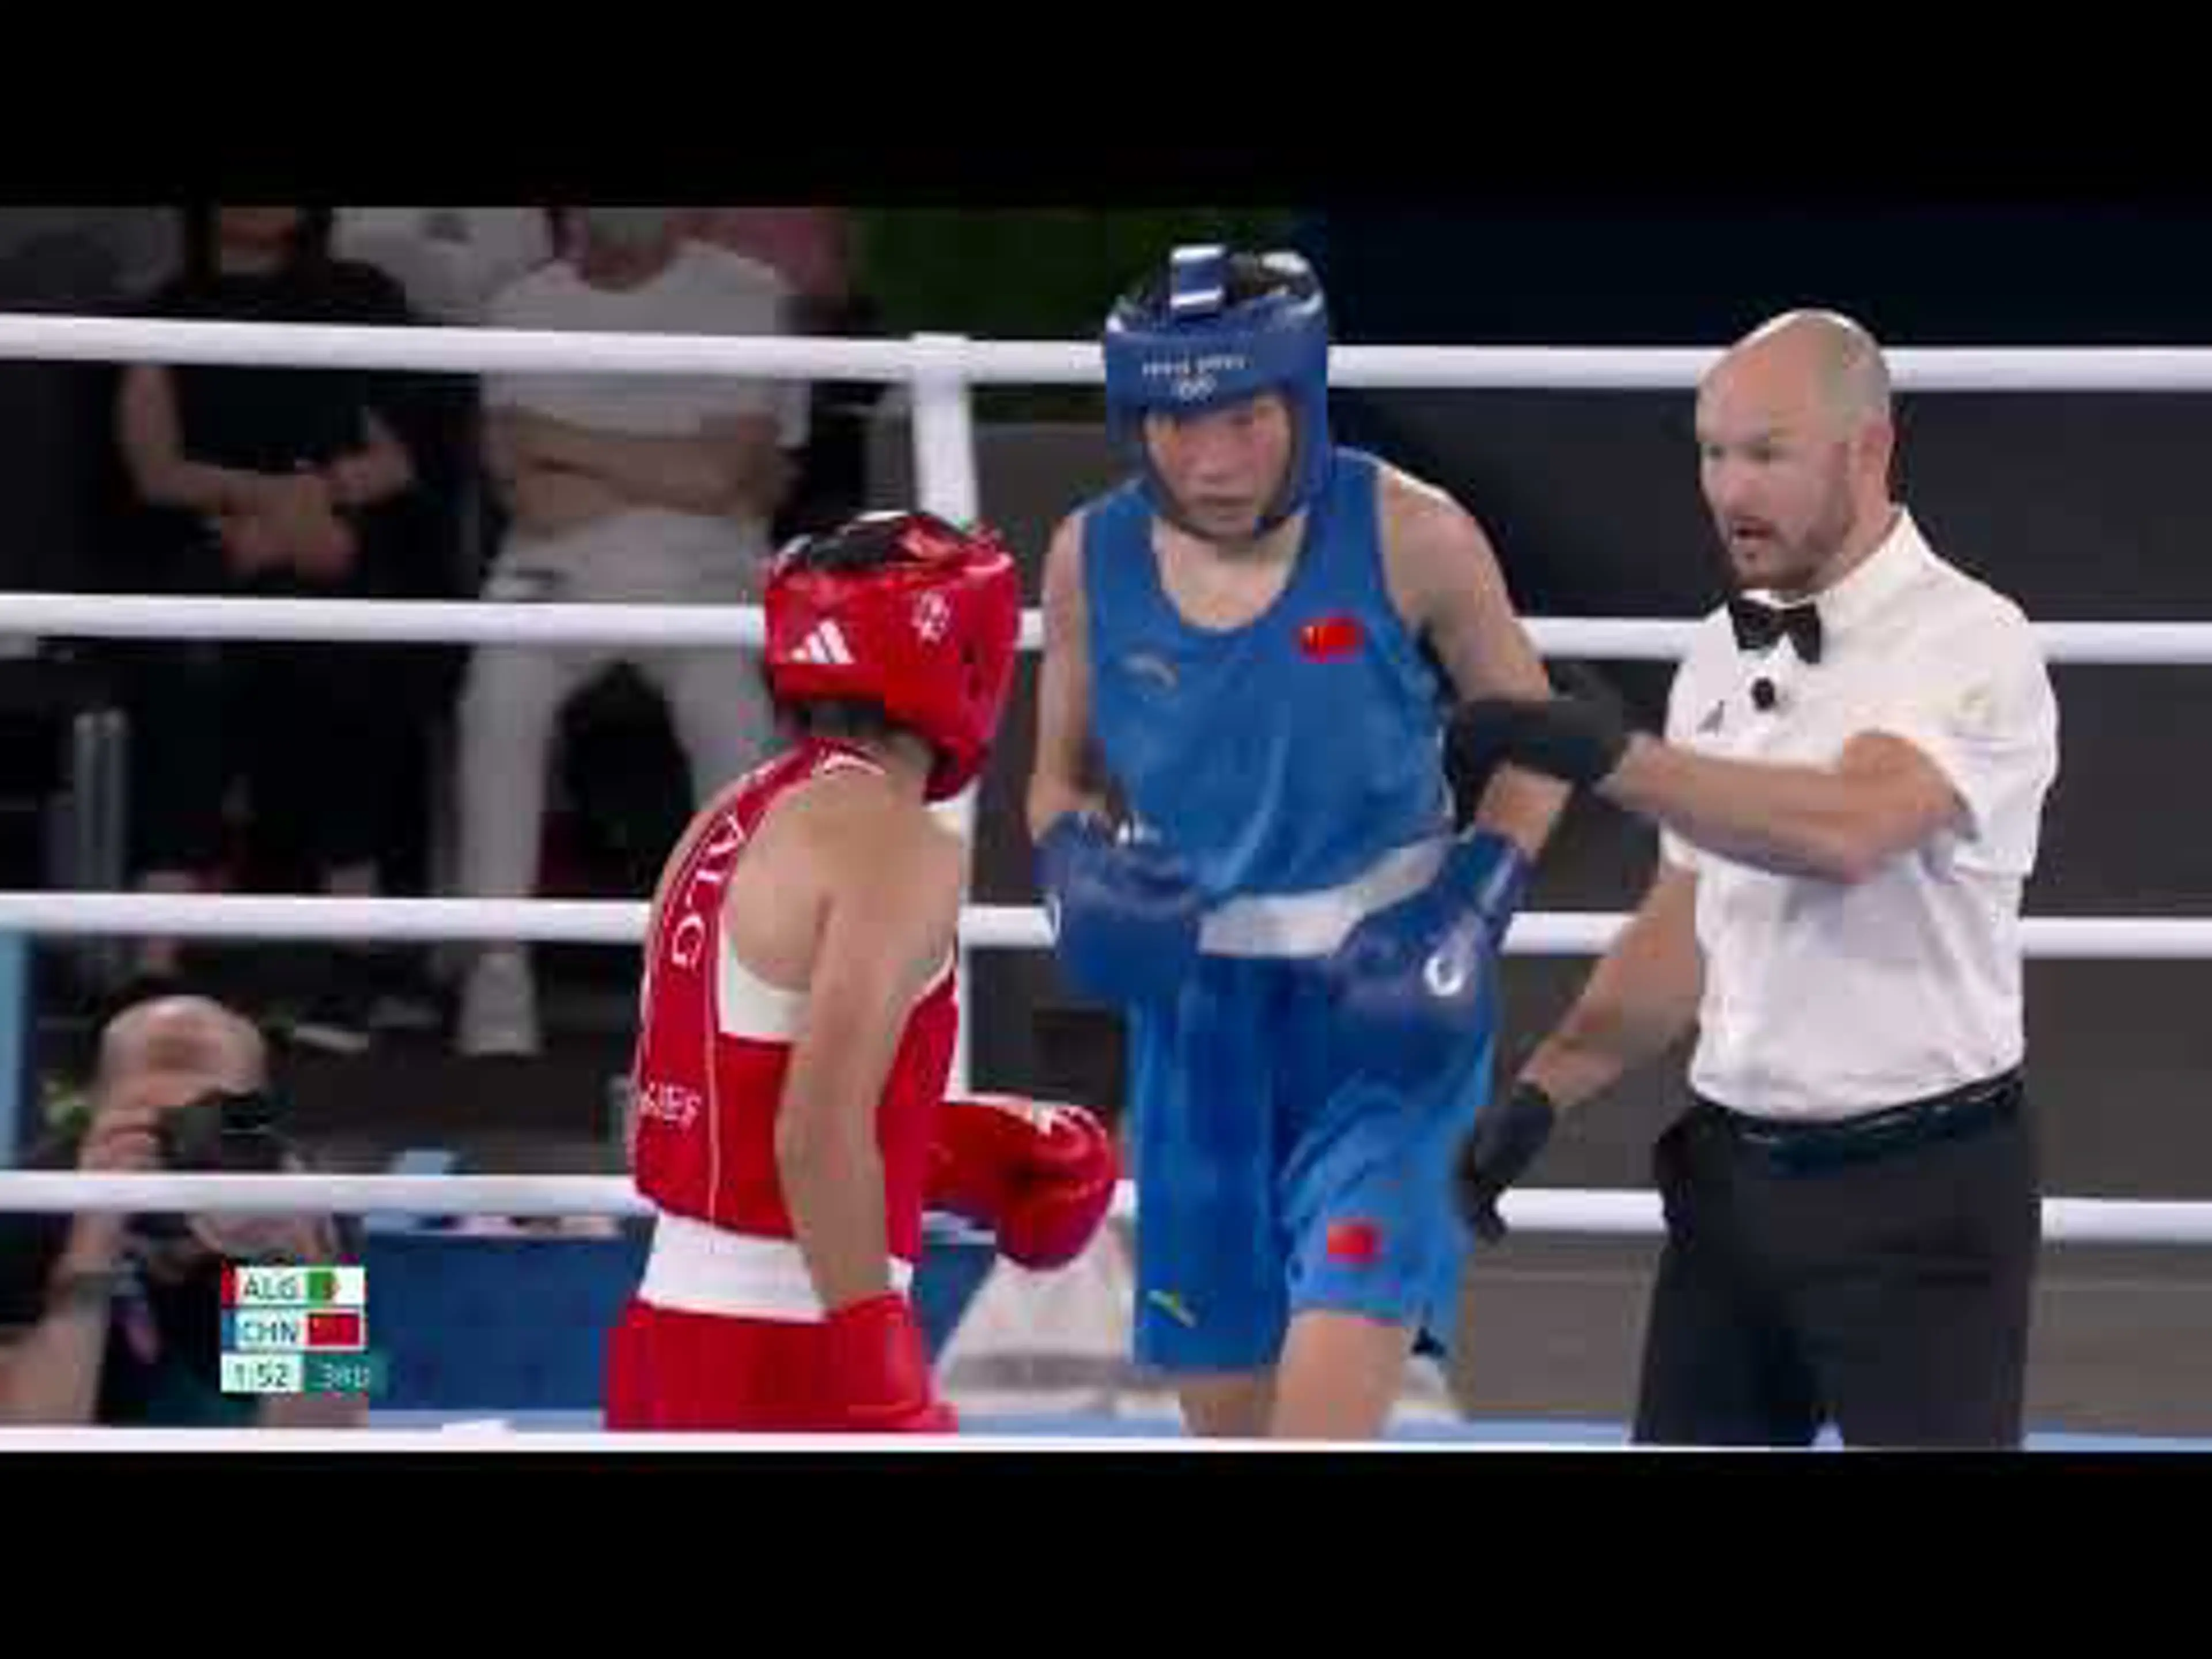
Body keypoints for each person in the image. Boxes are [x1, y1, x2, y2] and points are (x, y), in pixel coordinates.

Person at [1448, 310, 2061, 1449]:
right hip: (1735, 1185)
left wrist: (1620, 762)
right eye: (1712, 452)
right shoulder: (1720, 650)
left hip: (1920, 1193)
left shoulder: (1973, 641)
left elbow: (1848, 828)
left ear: (1866, 451)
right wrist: (1547, 1087)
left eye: (1766, 453)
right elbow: (1693, 911)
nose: (1731, 487)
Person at [1027, 245, 1569, 1440]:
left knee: (1323, 1413)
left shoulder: (1413, 534)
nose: (1211, 460)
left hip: (1384, 1022)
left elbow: (1547, 742)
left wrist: (1468, 908)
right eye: (1176, 422)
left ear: (1303, 398)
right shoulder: (1089, 559)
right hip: (1197, 1029)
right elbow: (1057, 781)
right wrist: (1073, 866)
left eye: (1243, 417)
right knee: (1228, 1417)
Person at [603, 510, 1121, 1433]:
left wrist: (948, 1145)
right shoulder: (896, 847)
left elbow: (700, 1098)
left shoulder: (726, 817)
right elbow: (814, 1132)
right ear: (965, 655)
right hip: (795, 1352)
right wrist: (879, 1369)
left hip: (662, 1335)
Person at [454, 206, 808, 1057]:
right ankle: (494, 981)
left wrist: (566, 444)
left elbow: (732, 474)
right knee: (495, 705)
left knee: (735, 724)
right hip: (553, 568)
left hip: (707, 576)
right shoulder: (519, 307)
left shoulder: (749, 297)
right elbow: (531, 491)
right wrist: (677, 464)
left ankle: (742, 988)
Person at [111, 207, 437, 1049]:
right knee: (189, 662)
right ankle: (156, 963)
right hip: (209, 543)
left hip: (329, 544)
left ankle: (355, 962)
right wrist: (264, 509)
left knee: (347, 661)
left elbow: (395, 461)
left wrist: (310, 506)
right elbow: (155, 470)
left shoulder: (359, 301)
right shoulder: (166, 311)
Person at [0, 994, 365, 1427]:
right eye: (154, 1120)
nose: (179, 1143)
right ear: (96, 1109)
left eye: (207, 1116)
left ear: (257, 1115)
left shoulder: (298, 1202)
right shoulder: (32, 1201)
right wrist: (91, 1246)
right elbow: (26, 1430)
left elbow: (326, 1439)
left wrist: (299, 1273)